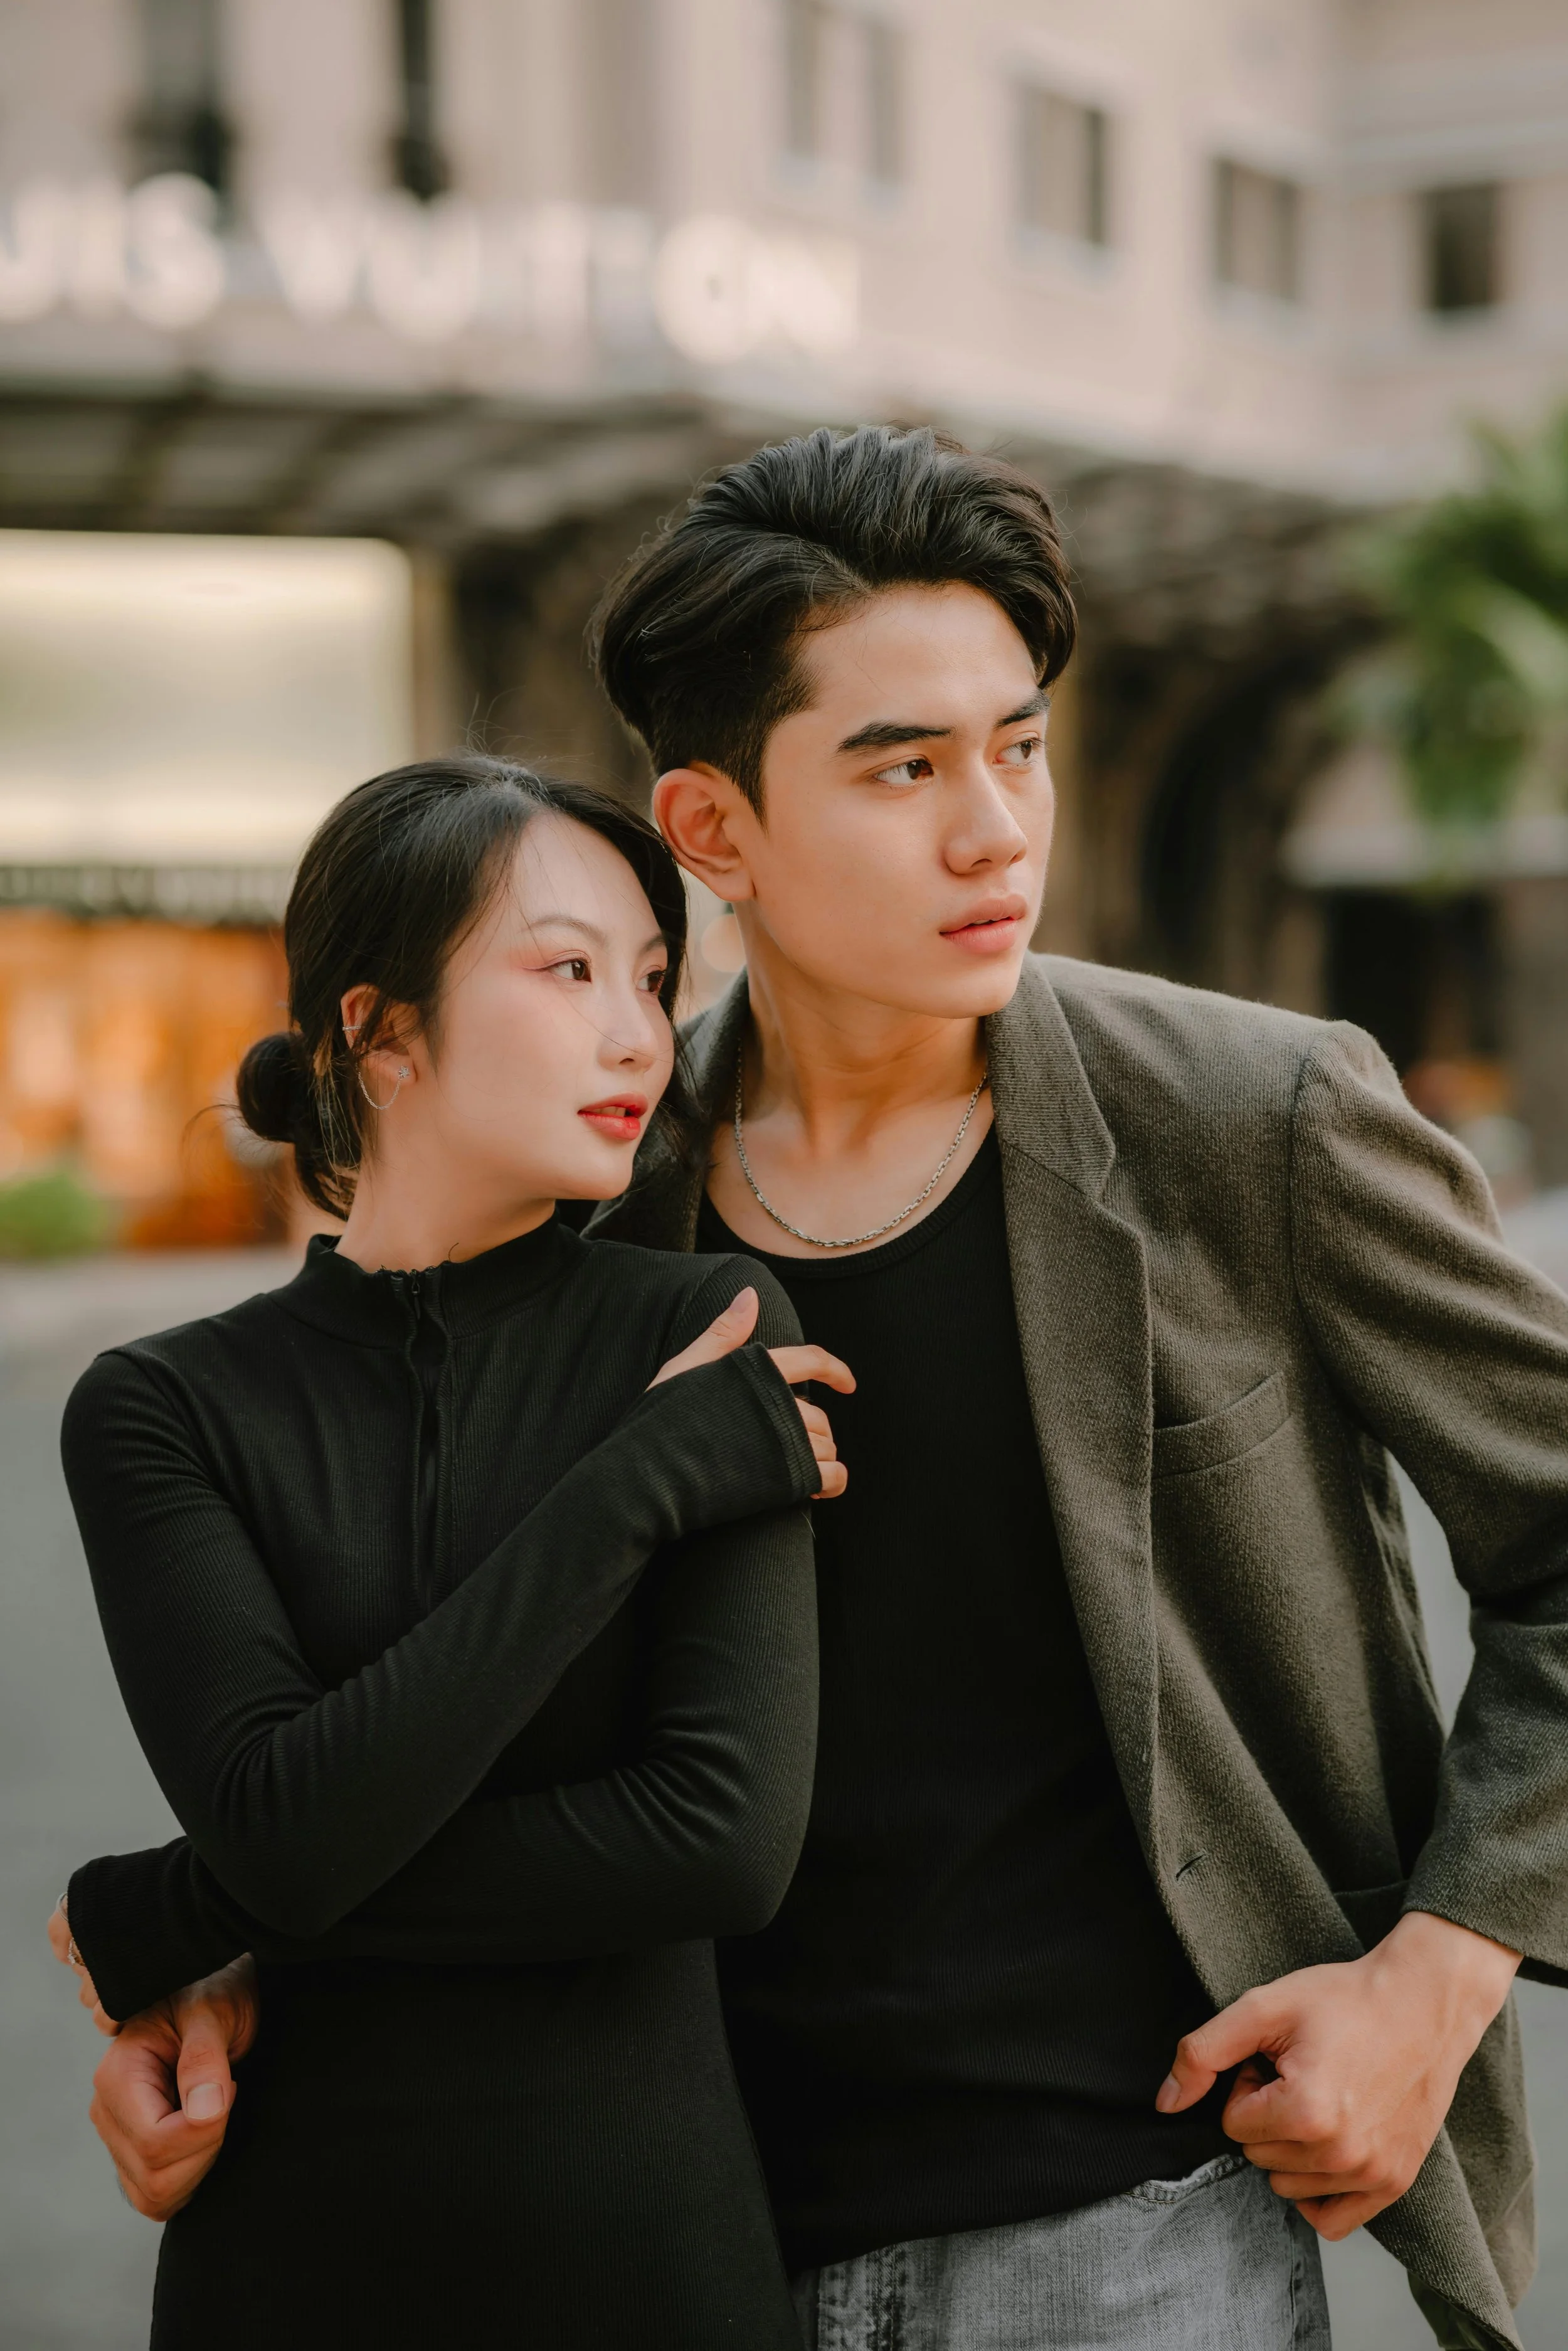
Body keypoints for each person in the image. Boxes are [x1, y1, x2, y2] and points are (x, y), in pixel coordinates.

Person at [61, 430, 1568, 2351]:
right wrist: (233, 1943)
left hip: (1130, 2230)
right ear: (709, 830)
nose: (995, 830)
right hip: (681, 2237)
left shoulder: (1247, 1119)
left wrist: (1430, 1978)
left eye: (1016, 745)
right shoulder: (598, 1190)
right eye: (902, 766)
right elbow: (445, 1668)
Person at [48, 756, 856, 2350]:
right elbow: (287, 1834)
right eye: (566, 970)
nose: (638, 1033)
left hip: (645, 2272)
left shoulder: (704, 1326)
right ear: (380, 1030)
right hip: (289, 2273)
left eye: (648, 978)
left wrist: (175, 1904)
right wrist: (627, 1492)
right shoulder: (163, 1409)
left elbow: (717, 1839)